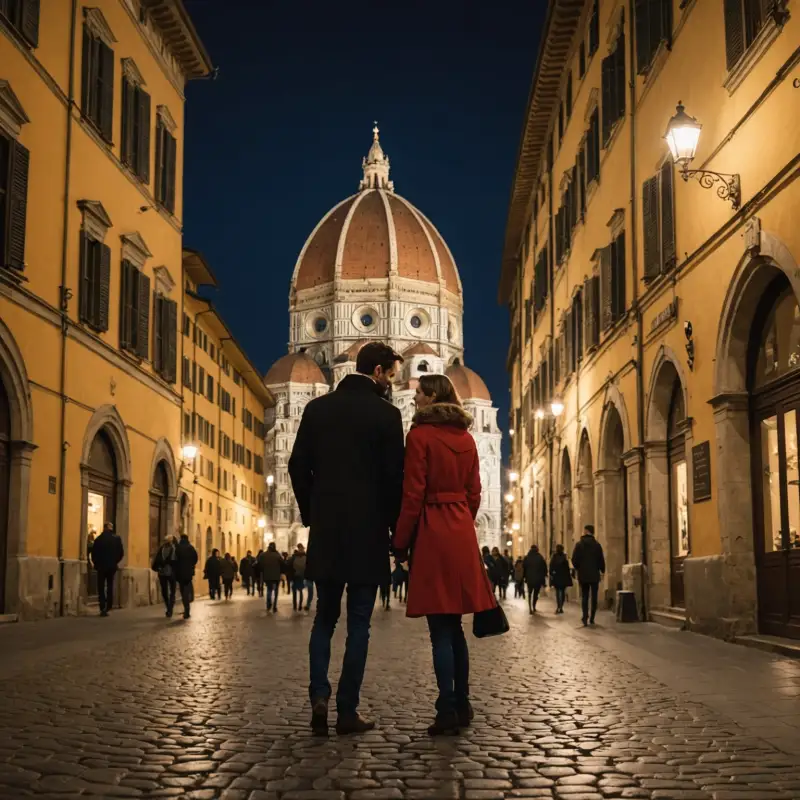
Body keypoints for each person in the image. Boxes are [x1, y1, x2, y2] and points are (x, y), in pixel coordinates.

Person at [289, 341, 405, 736]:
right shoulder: (388, 416)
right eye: (390, 375)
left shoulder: (317, 409)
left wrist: (312, 513)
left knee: (324, 618)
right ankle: (347, 709)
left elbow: (297, 466)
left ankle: (318, 696)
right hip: (368, 534)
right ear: (377, 372)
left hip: (327, 531)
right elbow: (394, 480)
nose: (392, 383)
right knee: (359, 625)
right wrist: (393, 529)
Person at [393, 374, 495, 736]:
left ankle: (446, 708)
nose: (414, 398)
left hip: (431, 531)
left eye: (419, 393)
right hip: (461, 532)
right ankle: (463, 702)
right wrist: (461, 517)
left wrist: (400, 542)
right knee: (456, 628)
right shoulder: (466, 438)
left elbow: (413, 493)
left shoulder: (419, 436)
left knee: (440, 629)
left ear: (433, 396)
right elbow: (475, 491)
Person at [572, 524, 606, 626]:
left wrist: (578, 568)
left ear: (586, 531)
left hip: (583, 574)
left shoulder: (579, 545)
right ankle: (592, 617)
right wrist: (602, 570)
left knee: (585, 596)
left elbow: (574, 559)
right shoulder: (597, 545)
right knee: (594, 596)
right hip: (594, 574)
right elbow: (601, 559)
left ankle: (585, 616)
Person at [90, 522, 124, 617]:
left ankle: (102, 607)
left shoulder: (98, 539)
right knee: (110, 585)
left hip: (101, 566)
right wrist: (115, 561)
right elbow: (121, 553)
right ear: (111, 528)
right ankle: (108, 605)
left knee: (101, 586)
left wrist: (96, 563)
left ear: (104, 528)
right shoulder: (116, 539)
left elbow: (93, 554)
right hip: (111, 566)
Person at [152, 536, 178, 617]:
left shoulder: (162, 549)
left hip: (164, 572)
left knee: (166, 591)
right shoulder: (173, 549)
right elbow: (175, 561)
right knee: (170, 592)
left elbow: (157, 559)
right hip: (169, 573)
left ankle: (169, 608)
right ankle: (169, 608)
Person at [174, 532, 198, 619]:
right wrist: (191, 565)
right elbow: (195, 558)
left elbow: (175, 560)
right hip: (188, 573)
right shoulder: (190, 548)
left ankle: (186, 607)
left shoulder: (178, 548)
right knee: (187, 589)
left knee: (182, 590)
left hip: (180, 573)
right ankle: (187, 609)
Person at [259, 542, 284, 612]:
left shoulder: (263, 555)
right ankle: (274, 606)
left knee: (269, 590)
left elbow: (259, 564)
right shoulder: (277, 555)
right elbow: (283, 563)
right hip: (276, 576)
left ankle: (268, 604)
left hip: (267, 576)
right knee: (276, 592)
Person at [523, 544, 547, 614]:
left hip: (529, 578)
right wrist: (543, 576)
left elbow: (524, 567)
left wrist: (524, 577)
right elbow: (544, 567)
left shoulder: (527, 557)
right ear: (537, 549)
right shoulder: (540, 557)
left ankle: (530, 608)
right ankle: (534, 606)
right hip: (538, 579)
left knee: (529, 593)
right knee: (536, 594)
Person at [549, 543, 573, 614]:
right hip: (563, 577)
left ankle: (558, 606)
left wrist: (551, 574)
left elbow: (551, 566)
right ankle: (561, 607)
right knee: (562, 592)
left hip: (556, 576)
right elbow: (567, 568)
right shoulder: (564, 557)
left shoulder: (554, 557)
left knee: (557, 592)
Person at [290, 544, 309, 611]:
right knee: (300, 591)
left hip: (295, 575)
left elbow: (290, 564)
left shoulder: (295, 556)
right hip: (301, 575)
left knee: (294, 591)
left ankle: (295, 605)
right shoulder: (306, 557)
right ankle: (300, 605)